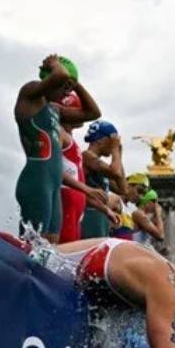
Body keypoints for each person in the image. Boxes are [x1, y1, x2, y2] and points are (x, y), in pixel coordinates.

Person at [14, 55, 100, 241]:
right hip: (36, 178)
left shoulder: (55, 109)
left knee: (51, 246)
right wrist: (55, 66)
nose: (67, 94)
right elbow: (60, 74)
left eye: (70, 89)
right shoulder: (29, 94)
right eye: (65, 87)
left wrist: (76, 84)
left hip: (52, 184)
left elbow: (93, 113)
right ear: (50, 78)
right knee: (33, 244)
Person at [58, 97, 115, 242]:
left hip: (74, 209)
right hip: (63, 204)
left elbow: (77, 184)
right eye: (79, 111)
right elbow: (52, 169)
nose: (84, 114)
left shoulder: (70, 139)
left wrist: (104, 208)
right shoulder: (58, 134)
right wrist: (87, 189)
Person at [81, 122, 130, 239]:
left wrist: (119, 153)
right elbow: (115, 172)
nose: (115, 144)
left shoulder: (103, 167)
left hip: (101, 217)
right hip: (90, 215)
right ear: (100, 140)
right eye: (112, 141)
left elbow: (123, 189)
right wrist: (115, 151)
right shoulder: (87, 156)